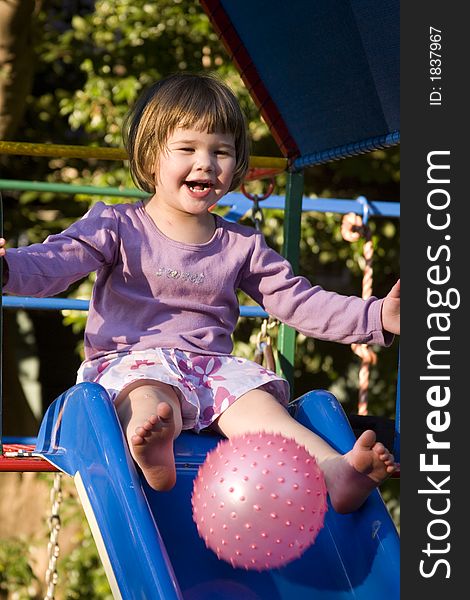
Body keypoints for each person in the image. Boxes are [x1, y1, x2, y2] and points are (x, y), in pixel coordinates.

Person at [0, 72, 400, 514]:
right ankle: (152, 444)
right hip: (132, 361)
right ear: (151, 158)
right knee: (150, 398)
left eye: (221, 151)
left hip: (211, 372)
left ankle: (334, 471)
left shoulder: (242, 245)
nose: (206, 163)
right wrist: (6, 269)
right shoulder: (116, 225)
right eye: (187, 149)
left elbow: (299, 302)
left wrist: (377, 316)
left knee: (261, 409)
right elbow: (54, 263)